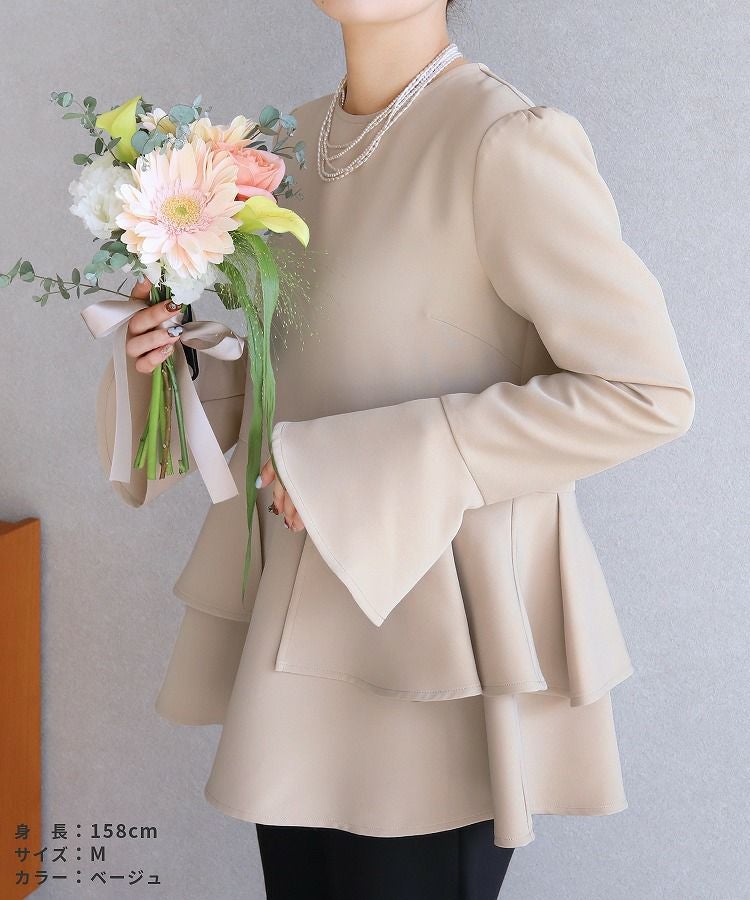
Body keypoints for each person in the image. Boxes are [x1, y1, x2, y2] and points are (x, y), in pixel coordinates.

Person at [103, 1, 695, 897]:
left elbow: (644, 393)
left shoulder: (506, 140)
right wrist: (168, 365)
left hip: (432, 651)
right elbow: (288, 388)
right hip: (293, 652)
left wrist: (372, 464)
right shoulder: (278, 152)